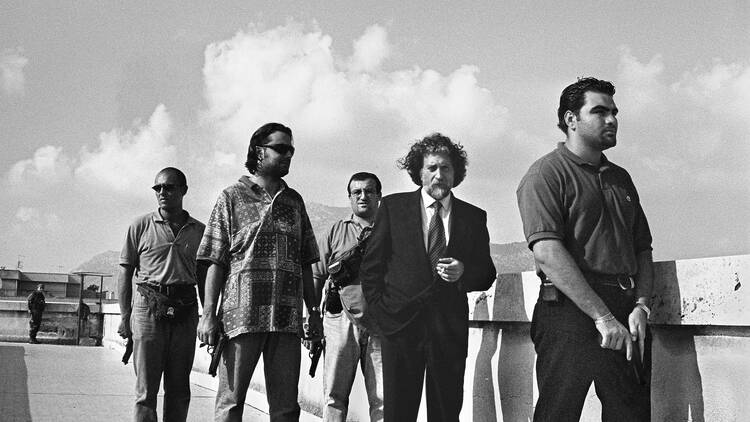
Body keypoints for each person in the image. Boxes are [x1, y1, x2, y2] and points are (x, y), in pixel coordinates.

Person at [516, 77, 654, 421]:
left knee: (631, 414)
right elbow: (547, 251)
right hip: (568, 312)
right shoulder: (545, 174)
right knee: (558, 413)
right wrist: (602, 317)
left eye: (614, 112)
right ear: (570, 119)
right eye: (599, 111)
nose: (611, 120)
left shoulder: (620, 177)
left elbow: (643, 248)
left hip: (625, 309)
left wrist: (641, 307)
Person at [360, 133, 496, 422]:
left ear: (455, 173)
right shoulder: (393, 208)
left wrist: (464, 272)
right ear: (419, 172)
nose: (439, 175)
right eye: (432, 168)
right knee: (398, 413)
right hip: (399, 329)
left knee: (446, 413)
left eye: (445, 168)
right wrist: (382, 315)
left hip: (448, 331)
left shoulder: (474, 217)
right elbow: (371, 268)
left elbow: (486, 273)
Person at [197, 122, 321, 422]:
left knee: (286, 408)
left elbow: (308, 261)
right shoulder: (232, 197)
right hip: (242, 317)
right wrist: (208, 314)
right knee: (231, 403)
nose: (288, 155)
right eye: (280, 148)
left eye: (290, 150)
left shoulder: (294, 202)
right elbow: (215, 259)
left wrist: (313, 311)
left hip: (286, 318)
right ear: (258, 151)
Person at [117, 167, 206, 422]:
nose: (162, 193)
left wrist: (208, 314)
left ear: (184, 190)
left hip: (185, 309)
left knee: (179, 389)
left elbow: (203, 276)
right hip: (148, 308)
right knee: (146, 391)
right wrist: (126, 316)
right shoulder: (140, 226)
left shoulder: (199, 230)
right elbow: (125, 272)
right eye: (158, 188)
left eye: (169, 187)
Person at [313, 172, 384, 422]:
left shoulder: (395, 233)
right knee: (334, 396)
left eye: (369, 191)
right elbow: (316, 275)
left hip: (383, 324)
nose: (363, 196)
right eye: (357, 192)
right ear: (350, 197)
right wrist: (311, 317)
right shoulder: (335, 231)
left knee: (384, 401)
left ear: (379, 196)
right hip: (339, 321)